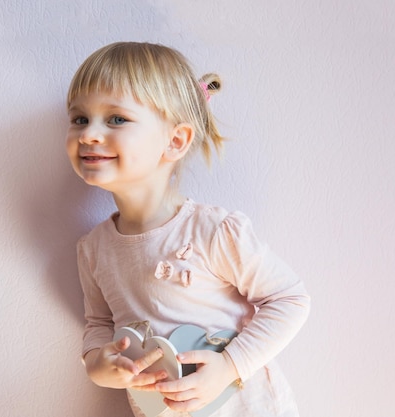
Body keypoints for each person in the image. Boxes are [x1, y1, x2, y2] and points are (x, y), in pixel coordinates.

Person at [65, 41, 310, 417]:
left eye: (116, 119)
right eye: (79, 119)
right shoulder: (94, 249)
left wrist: (230, 366)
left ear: (175, 140)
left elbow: (289, 299)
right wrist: (98, 365)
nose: (88, 135)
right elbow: (99, 323)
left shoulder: (211, 231)